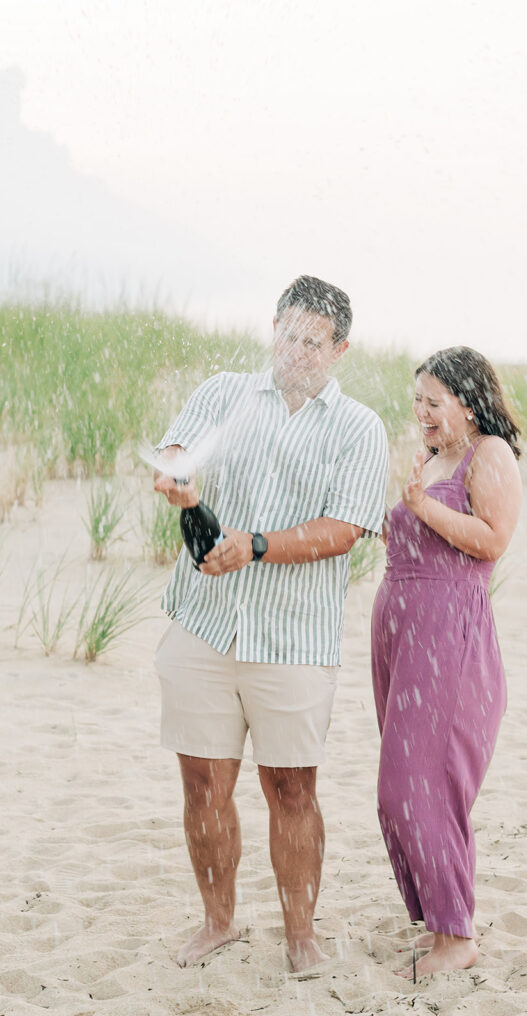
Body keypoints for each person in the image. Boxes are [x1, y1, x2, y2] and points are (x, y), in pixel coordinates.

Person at [153, 275, 388, 972]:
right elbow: (175, 453)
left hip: (292, 638)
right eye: (287, 333)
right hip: (203, 622)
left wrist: (254, 544)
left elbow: (345, 528)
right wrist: (174, 477)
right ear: (273, 327)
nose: (295, 350)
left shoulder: (356, 426)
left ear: (339, 349)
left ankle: (300, 937)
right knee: (201, 785)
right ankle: (218, 922)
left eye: (313, 341)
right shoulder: (223, 392)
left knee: (291, 789)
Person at [370, 346, 522, 978]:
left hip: (448, 637)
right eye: (418, 401)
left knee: (417, 784)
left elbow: (492, 539)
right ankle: (441, 923)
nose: (422, 413)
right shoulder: (432, 458)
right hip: (401, 636)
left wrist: (424, 507)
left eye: (434, 402)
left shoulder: (490, 455)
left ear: (468, 400)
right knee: (398, 787)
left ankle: (457, 937)